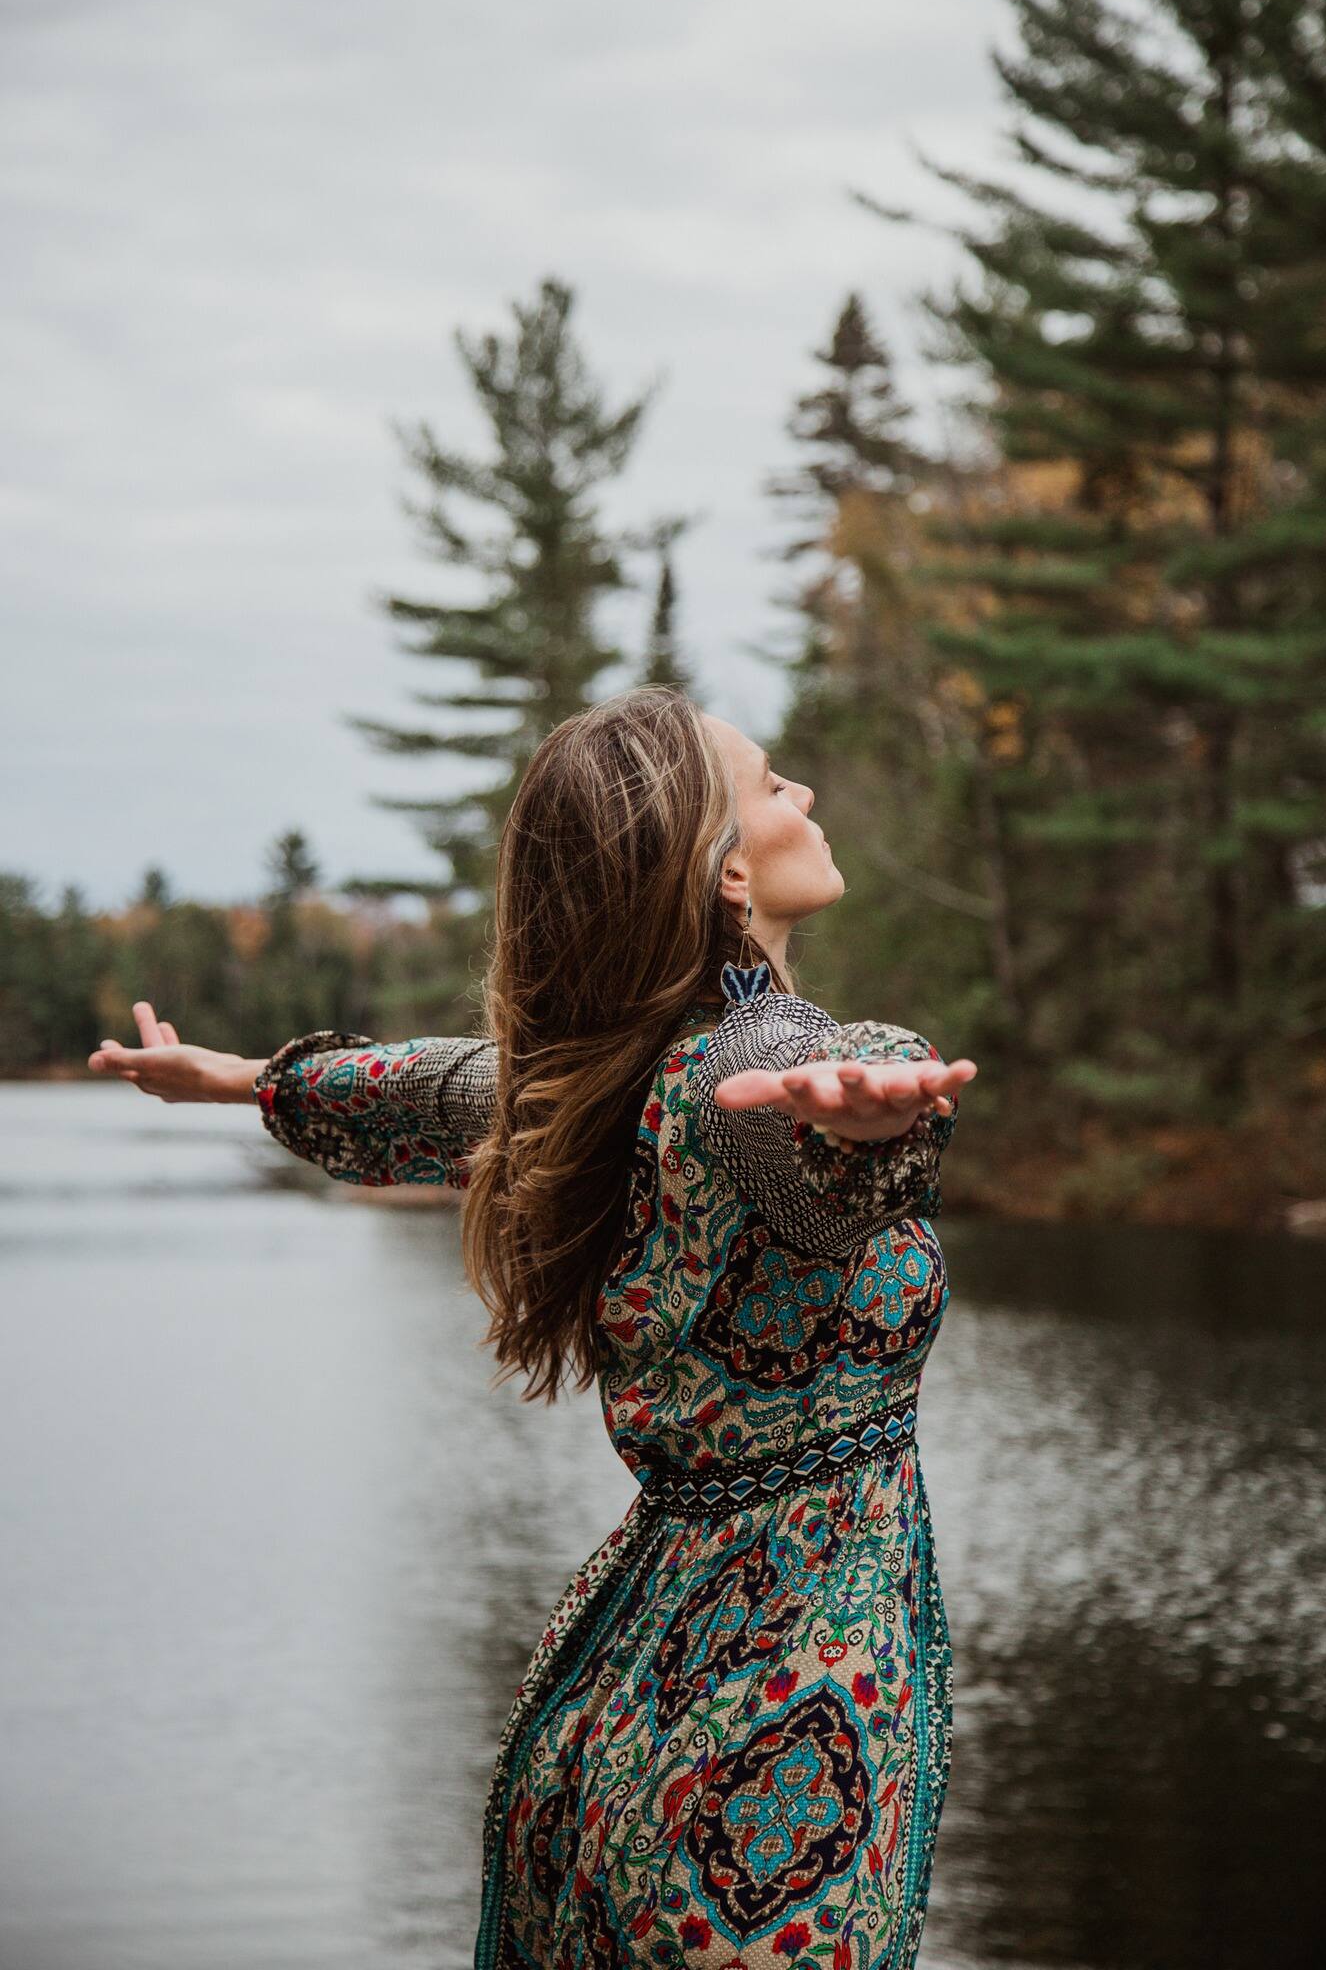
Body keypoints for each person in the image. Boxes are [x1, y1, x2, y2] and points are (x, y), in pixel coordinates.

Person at [89, 685, 977, 1969]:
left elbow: (408, 1089)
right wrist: (868, 1120)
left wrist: (239, 1078)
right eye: (777, 782)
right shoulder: (762, 1071)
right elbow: (805, 1153)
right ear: (729, 871)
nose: (807, 797)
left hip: (615, 1725)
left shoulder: (588, 1081)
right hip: (774, 1752)